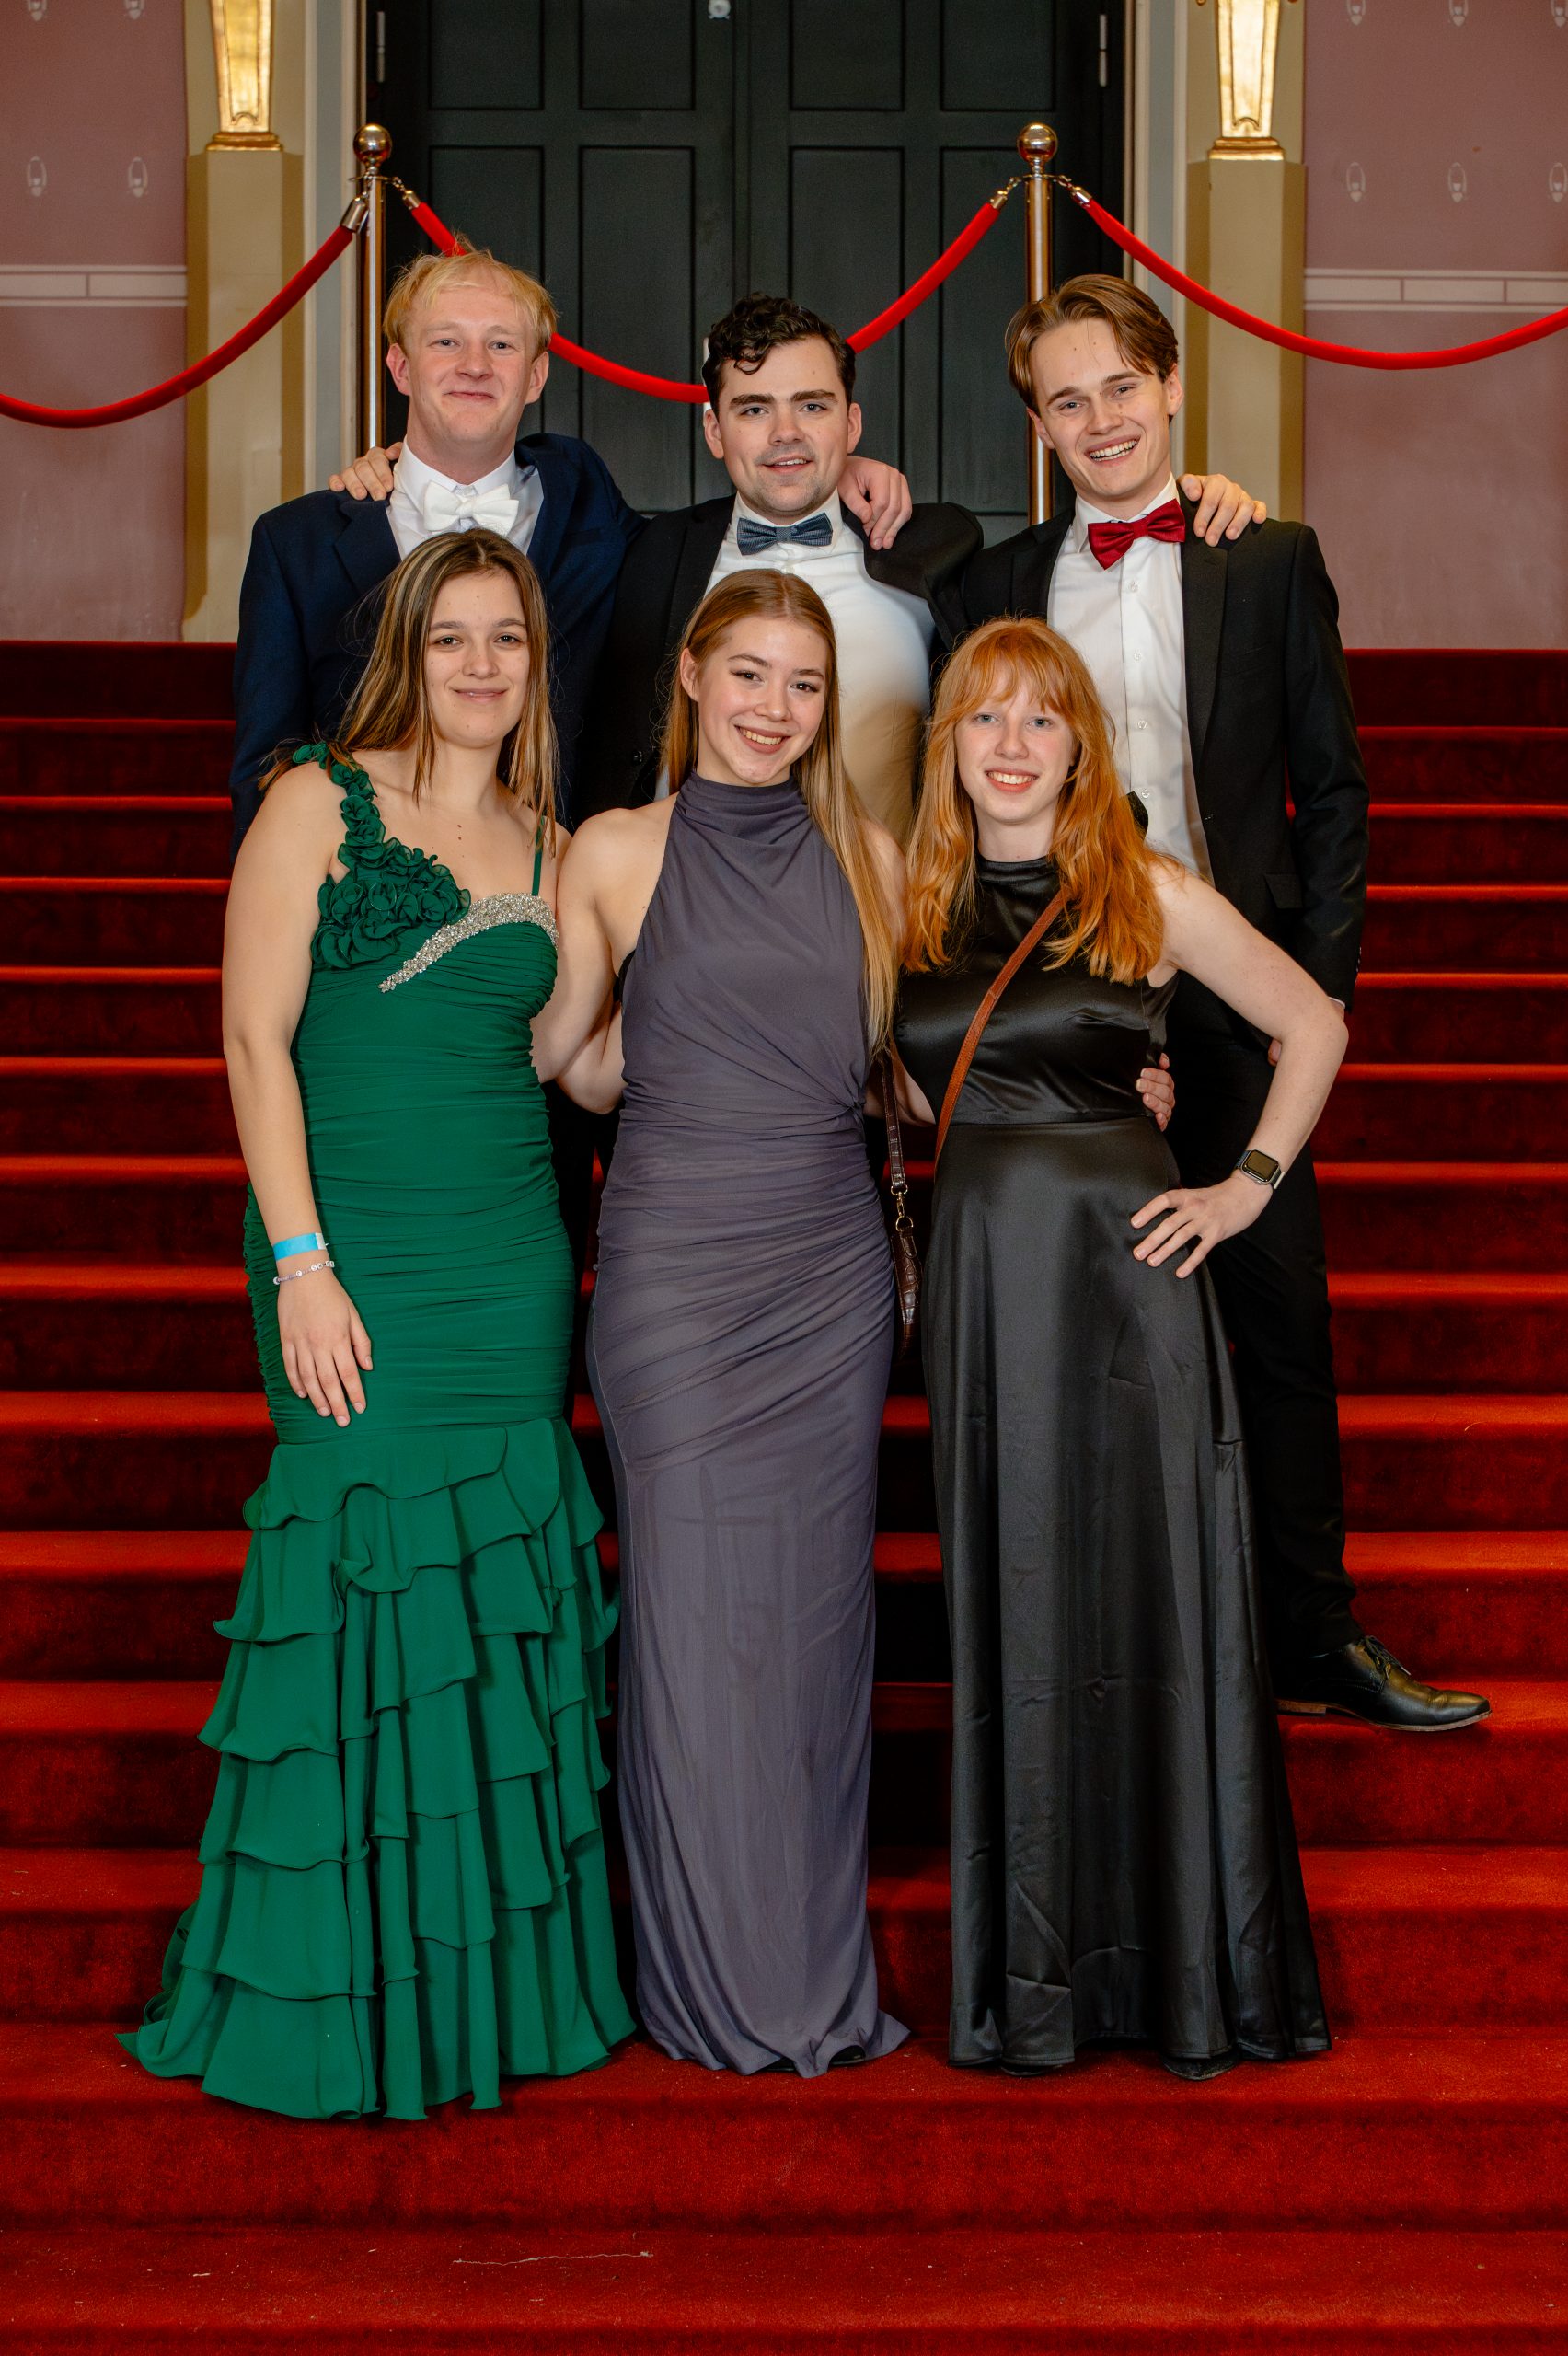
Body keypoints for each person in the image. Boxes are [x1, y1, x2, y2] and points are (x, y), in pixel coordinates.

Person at [121, 529, 633, 2119]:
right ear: (406, 650)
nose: (482, 666)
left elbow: (576, 1063)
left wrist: (742, 971)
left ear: (538, 664)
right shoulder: (313, 801)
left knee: (486, 1598)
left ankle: (481, 2002)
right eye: (453, 637)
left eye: (509, 640)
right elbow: (251, 1040)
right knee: (359, 1577)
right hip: (353, 1259)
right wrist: (301, 1261)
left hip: (510, 1264)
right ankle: (337, 2002)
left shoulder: (557, 847)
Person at [942, 274, 1488, 1734]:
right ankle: (1098, 1632)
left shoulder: (1267, 557)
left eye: (1123, 387)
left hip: (1235, 991)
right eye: (1067, 400)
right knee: (1089, 1323)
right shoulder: (991, 584)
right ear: (1039, 426)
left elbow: (1336, 794)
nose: (1101, 421)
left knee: (1279, 1316)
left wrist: (1311, 996)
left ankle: (1315, 1632)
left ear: (1172, 387)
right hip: (1070, 1005)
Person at [892, 615, 1337, 2078]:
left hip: (1132, 1286)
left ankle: (1187, 1974)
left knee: (1154, 1601)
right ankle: (1039, 1984)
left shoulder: (1145, 890)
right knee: (1018, 1594)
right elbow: (895, 1087)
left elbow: (1312, 1022)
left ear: (1082, 744)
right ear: (948, 746)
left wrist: (1243, 1188)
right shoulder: (907, 900)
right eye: (985, 718)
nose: (1013, 745)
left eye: (1043, 718)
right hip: (987, 1287)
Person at [538, 569, 908, 2075]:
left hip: (826, 1282)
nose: (774, 707)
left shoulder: (871, 855)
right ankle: (704, 1973)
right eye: (747, 674)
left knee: (815, 1632)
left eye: (803, 684)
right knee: (693, 1629)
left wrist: (1102, 1074)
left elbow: (891, 1076)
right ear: (691, 677)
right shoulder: (617, 848)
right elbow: (572, 1063)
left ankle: (807, 1965)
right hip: (676, 1281)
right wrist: (651, 1027)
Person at [570, 294, 1265, 842]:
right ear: (715, 430)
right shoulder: (651, 554)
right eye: (754, 409)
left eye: (812, 406)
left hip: (888, 917)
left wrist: (1194, 499)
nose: (786, 433)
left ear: (851, 424)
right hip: (684, 902)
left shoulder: (934, 550)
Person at [287, 257, 914, 849]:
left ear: (536, 375)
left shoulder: (582, 491)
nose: (474, 365)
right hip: (372, 866)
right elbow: (268, 756)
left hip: (550, 853)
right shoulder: (303, 536)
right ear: (400, 368)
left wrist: (832, 467)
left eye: (500, 344)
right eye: (446, 341)